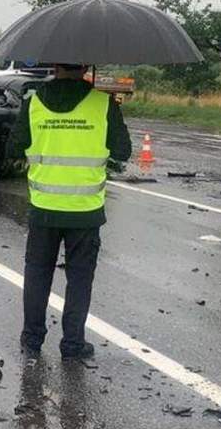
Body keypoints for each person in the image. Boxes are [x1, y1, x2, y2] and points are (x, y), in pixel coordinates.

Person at [9, 64, 131, 361]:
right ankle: (73, 343)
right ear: (85, 66)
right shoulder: (103, 104)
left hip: (44, 208)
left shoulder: (33, 102)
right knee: (79, 279)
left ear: (55, 65)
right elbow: (123, 151)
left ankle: (32, 338)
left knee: (37, 274)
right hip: (85, 211)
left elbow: (13, 148)